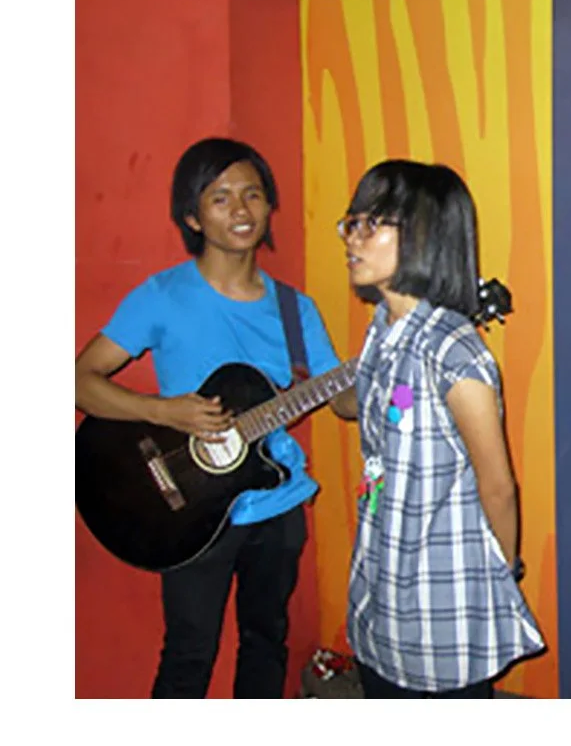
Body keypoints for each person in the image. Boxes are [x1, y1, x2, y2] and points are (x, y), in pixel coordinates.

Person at [75, 136, 355, 698]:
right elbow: (81, 380)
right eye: (220, 197)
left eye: (252, 194)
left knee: (266, 643)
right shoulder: (162, 296)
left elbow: (341, 400)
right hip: (187, 508)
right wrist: (163, 411)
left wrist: (380, 372)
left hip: (276, 503)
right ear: (192, 216)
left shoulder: (295, 310)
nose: (241, 209)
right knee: (189, 653)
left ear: (269, 205)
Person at [339, 159, 544, 698]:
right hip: (380, 592)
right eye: (351, 222)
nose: (353, 237)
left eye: (372, 223)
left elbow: (497, 486)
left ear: (424, 235)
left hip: (439, 608)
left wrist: (502, 571)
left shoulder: (453, 350)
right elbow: (377, 411)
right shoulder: (382, 331)